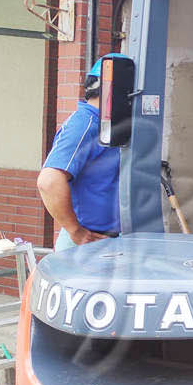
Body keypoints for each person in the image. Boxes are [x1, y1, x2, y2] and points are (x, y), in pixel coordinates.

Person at [37, 58, 121, 249]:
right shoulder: (85, 124)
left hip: (105, 241)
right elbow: (49, 182)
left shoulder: (107, 125)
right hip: (88, 242)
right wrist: (75, 230)